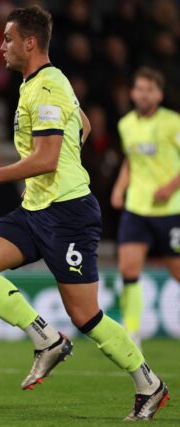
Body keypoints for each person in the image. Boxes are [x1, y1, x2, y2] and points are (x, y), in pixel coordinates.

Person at [0, 6, 169, 421]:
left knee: (85, 315)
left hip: (69, 213)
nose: (1, 47)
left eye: (8, 39)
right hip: (36, 208)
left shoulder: (48, 87)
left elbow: (48, 159)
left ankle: (150, 385)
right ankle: (47, 340)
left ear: (29, 43)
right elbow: (83, 126)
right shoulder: (39, 85)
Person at [110, 67, 180, 347]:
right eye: (139, 89)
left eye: (149, 89)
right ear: (132, 93)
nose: (143, 94)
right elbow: (131, 160)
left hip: (169, 209)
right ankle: (132, 332)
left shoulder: (173, 123)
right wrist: (119, 187)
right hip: (137, 207)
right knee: (128, 269)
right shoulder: (126, 124)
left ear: (159, 94)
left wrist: (171, 187)